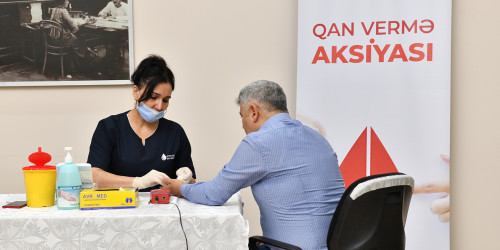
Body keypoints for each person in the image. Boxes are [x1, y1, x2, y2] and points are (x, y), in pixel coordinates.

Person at [163, 80, 345, 250]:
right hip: (339, 244)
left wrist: (181, 188)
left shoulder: (259, 143)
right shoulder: (318, 138)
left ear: (253, 112)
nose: (243, 125)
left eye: (242, 116)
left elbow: (214, 194)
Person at [87, 55, 196, 192]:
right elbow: (93, 176)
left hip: (162, 209)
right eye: (153, 97)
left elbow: (191, 184)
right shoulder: (109, 127)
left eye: (166, 100)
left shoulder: (175, 132)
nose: (159, 106)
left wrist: (187, 179)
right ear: (136, 92)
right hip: (119, 208)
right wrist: (138, 182)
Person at [49, 0, 95, 77]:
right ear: (63, 2)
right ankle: (85, 66)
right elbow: (73, 26)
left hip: (54, 39)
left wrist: (75, 21)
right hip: (62, 40)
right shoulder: (63, 11)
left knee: (77, 39)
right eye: (67, 0)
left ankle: (74, 65)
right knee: (82, 42)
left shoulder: (54, 9)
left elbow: (67, 21)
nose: (68, 2)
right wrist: (85, 21)